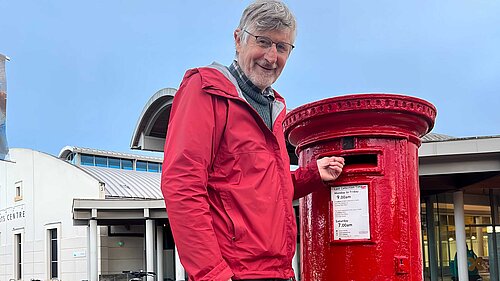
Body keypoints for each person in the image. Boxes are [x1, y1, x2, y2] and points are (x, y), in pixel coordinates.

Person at [161, 1, 344, 280]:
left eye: (282, 48)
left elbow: (260, 190)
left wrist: (312, 176)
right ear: (238, 39)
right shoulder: (207, 91)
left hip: (279, 272)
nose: (271, 57)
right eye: (263, 42)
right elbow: (182, 185)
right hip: (235, 273)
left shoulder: (274, 107)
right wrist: (212, 274)